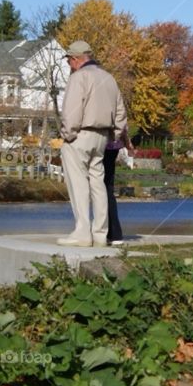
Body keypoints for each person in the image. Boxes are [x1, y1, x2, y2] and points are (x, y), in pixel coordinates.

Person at [57, 40, 128, 247]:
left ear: (76, 59)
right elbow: (121, 112)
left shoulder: (79, 77)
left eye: (70, 60)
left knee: (78, 184)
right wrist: (114, 134)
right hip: (102, 137)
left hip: (80, 135)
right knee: (97, 184)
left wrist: (67, 134)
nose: (69, 65)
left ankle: (82, 233)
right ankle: (100, 233)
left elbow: (71, 110)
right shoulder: (109, 78)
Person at [104, 126, 134, 246]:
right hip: (113, 143)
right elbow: (121, 122)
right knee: (107, 188)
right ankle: (113, 232)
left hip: (101, 143)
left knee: (102, 187)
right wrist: (127, 142)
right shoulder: (118, 106)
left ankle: (109, 232)